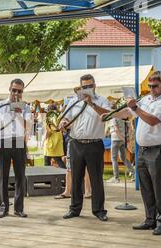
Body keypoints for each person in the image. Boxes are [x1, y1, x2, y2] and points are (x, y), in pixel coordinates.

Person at [113, 71, 161, 235]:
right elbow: (128, 114)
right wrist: (109, 114)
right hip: (142, 150)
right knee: (146, 187)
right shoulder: (146, 99)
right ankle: (150, 220)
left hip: (158, 150)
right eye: (149, 86)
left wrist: (135, 107)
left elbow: (152, 120)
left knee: (159, 187)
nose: (151, 89)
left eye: (154, 86)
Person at [59, 74, 111, 221]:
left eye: (89, 86)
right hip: (76, 143)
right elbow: (66, 117)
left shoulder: (102, 100)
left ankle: (99, 210)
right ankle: (74, 209)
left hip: (94, 144)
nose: (86, 89)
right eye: (84, 87)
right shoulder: (73, 101)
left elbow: (107, 115)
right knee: (75, 178)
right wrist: (63, 122)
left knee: (96, 179)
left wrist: (92, 104)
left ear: (95, 86)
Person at [0, 78, 31, 218]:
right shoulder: (0, 105)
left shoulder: (26, 107)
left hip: (19, 141)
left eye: (19, 91)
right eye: (14, 90)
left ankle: (19, 208)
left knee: (20, 176)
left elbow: (28, 127)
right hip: (3, 141)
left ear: (22, 92)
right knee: (3, 176)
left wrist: (18, 114)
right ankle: (3, 207)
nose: (16, 93)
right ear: (9, 89)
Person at [107, 117, 135, 183]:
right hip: (122, 140)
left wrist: (123, 138)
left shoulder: (113, 118)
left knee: (114, 158)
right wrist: (125, 139)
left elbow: (116, 130)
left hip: (115, 139)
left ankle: (116, 178)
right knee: (123, 158)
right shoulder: (123, 117)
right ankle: (134, 174)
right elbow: (129, 128)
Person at [43, 104, 66, 169]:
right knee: (58, 160)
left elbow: (48, 131)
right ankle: (64, 174)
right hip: (58, 141)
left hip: (51, 142)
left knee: (47, 161)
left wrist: (44, 140)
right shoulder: (58, 116)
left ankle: (47, 176)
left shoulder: (49, 117)